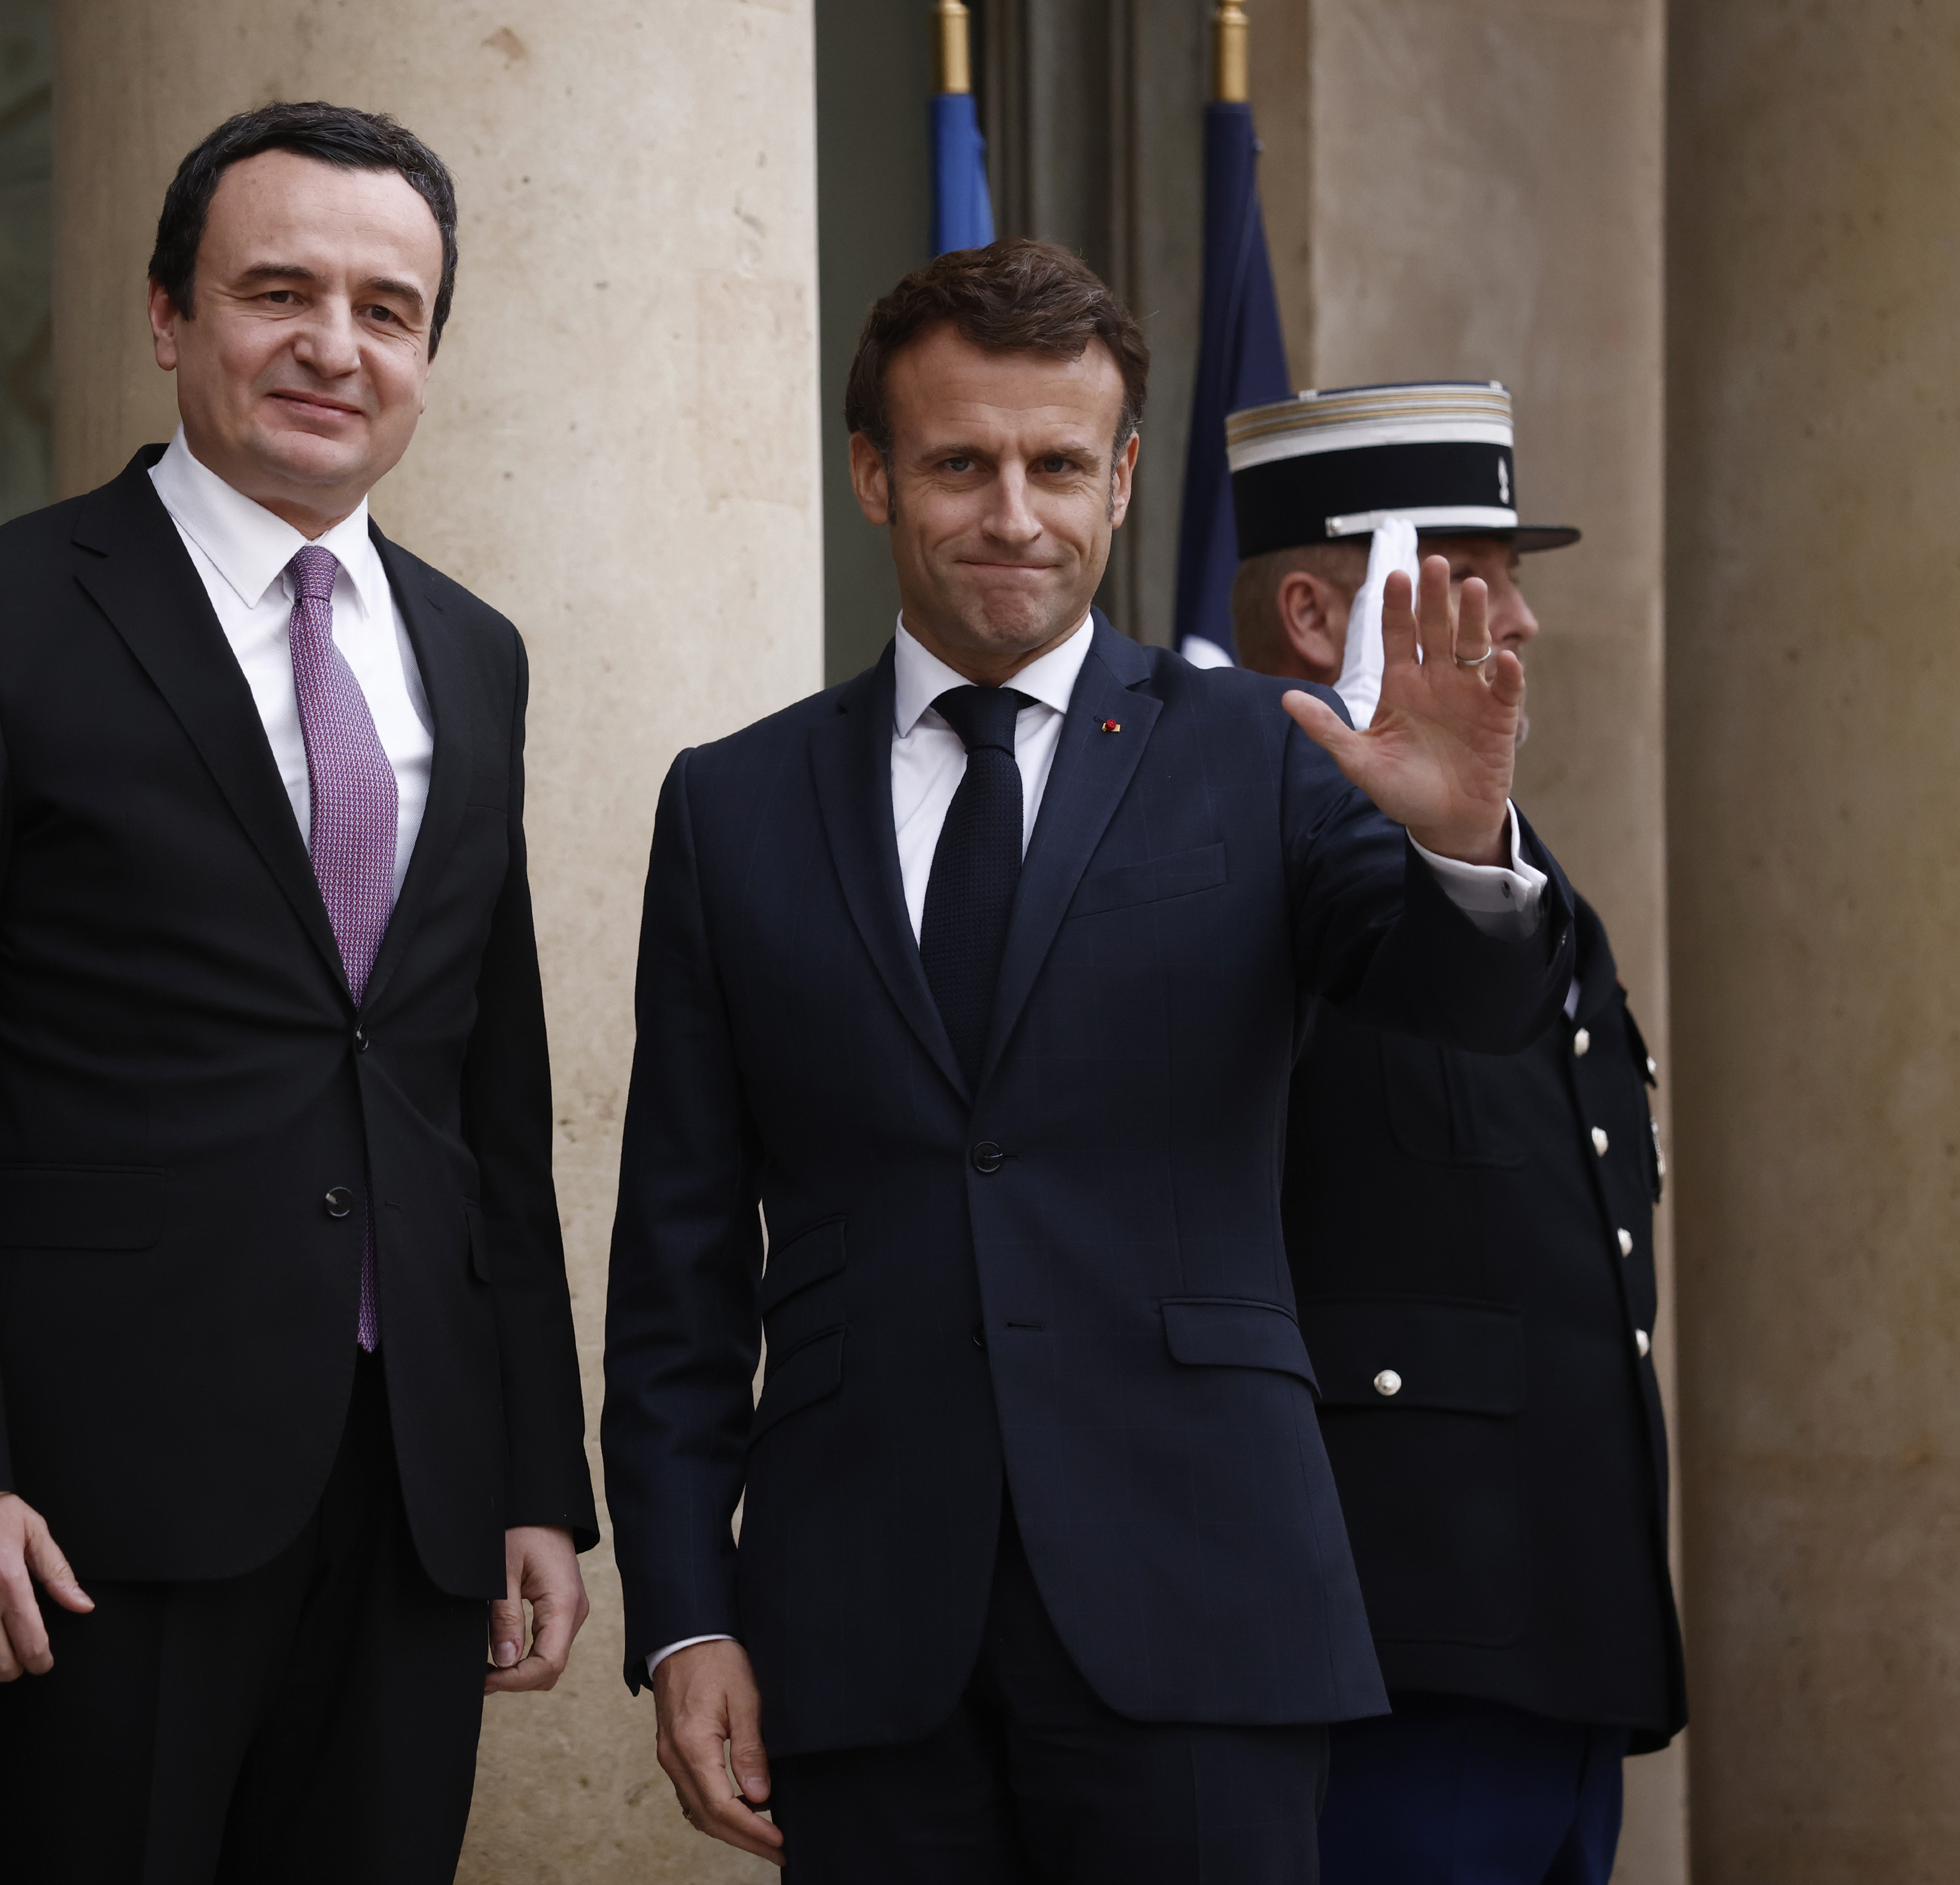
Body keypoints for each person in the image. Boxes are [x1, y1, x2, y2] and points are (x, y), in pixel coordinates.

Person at [601, 239, 1582, 1881]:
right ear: (869, 473)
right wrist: (685, 1619)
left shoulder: (1267, 761)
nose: (1011, 513)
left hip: (1205, 1612)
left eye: (1058, 465)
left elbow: (1460, 1022)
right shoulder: (731, 805)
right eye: (958, 463)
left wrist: (1465, 845)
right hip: (858, 1642)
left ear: (1124, 484)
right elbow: (675, 1266)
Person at [0, 101, 596, 1881]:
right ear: (166, 313)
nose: (332, 346)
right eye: (277, 289)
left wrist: (528, 1476)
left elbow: (481, 1091)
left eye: (385, 308)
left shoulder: (473, 653)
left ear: (428, 353)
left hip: (413, 1485)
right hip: (93, 1500)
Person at [1226, 381, 1684, 1884]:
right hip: (1387, 1655)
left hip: (1551, 1643)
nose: (1519, 621)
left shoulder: (1496, 859)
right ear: (1313, 611)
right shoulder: (1245, 853)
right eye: (1468, 579)